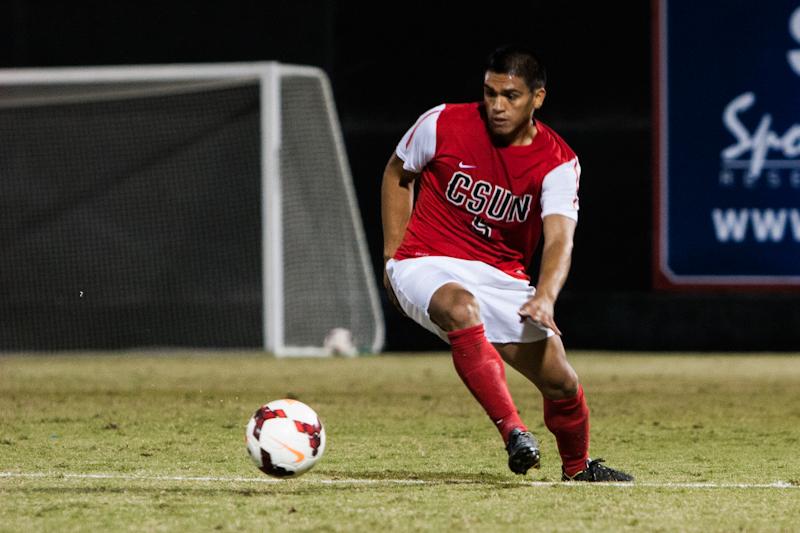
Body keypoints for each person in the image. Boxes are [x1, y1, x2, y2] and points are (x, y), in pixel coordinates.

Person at [381, 45, 633, 482]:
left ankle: (577, 470)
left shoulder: (558, 162)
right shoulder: (441, 122)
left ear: (537, 98)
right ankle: (514, 432)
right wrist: (392, 255)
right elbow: (397, 173)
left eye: (510, 96)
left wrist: (545, 297)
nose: (497, 105)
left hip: (501, 276)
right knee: (460, 307)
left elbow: (559, 238)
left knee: (561, 381)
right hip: (425, 260)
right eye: (490, 93)